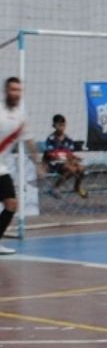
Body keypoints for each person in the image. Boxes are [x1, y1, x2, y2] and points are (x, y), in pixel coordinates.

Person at [0, 77, 45, 255]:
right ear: (6, 91)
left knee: (11, 204)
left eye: (19, 90)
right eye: (13, 90)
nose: (16, 94)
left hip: (0, 167)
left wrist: (38, 164)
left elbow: (28, 141)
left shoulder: (20, 117)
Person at [43, 114, 87, 198]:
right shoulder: (51, 138)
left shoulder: (68, 139)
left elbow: (69, 154)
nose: (61, 127)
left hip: (65, 162)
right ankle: (55, 188)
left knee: (81, 168)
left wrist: (75, 159)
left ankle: (77, 187)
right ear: (54, 126)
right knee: (71, 169)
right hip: (54, 163)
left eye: (63, 125)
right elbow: (51, 154)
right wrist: (66, 157)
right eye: (59, 125)